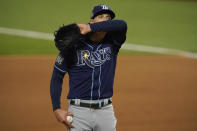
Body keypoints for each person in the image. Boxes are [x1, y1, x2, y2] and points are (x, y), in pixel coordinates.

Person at [50, 4, 127, 131]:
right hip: (79, 113)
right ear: (92, 20)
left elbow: (122, 25)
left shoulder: (113, 42)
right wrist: (56, 108)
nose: (105, 20)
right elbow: (56, 77)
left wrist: (90, 27)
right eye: (100, 16)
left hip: (105, 112)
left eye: (108, 18)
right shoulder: (73, 44)